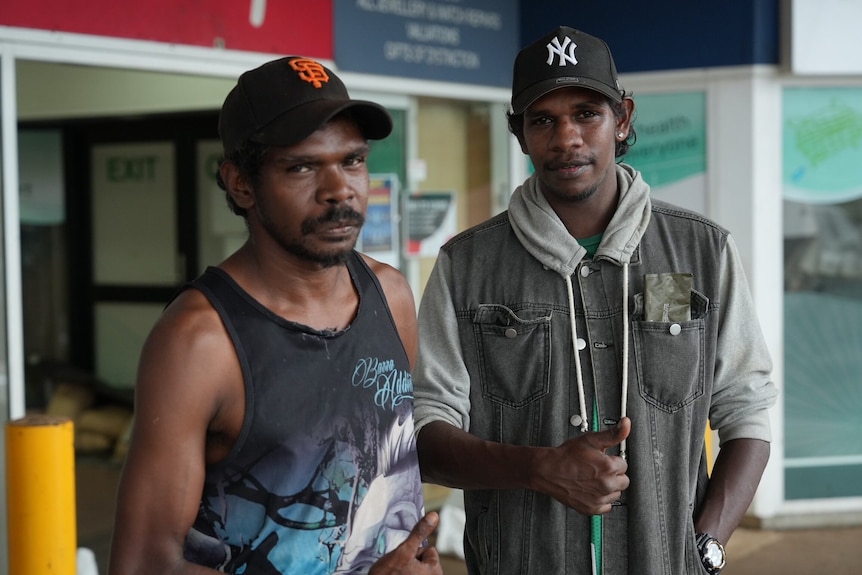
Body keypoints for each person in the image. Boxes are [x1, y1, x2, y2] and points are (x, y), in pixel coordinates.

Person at [412, 26, 778, 575]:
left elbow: (746, 410)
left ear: (622, 118)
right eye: (543, 120)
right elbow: (428, 435)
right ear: (520, 134)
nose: (566, 139)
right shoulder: (466, 267)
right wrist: (537, 468)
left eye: (587, 113)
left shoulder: (699, 252)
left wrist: (707, 547)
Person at [108, 56, 441, 575]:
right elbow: (144, 563)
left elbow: (391, 468)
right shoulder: (199, 341)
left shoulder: (390, 294)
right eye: (303, 167)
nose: (340, 189)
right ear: (241, 183)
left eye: (352, 160)